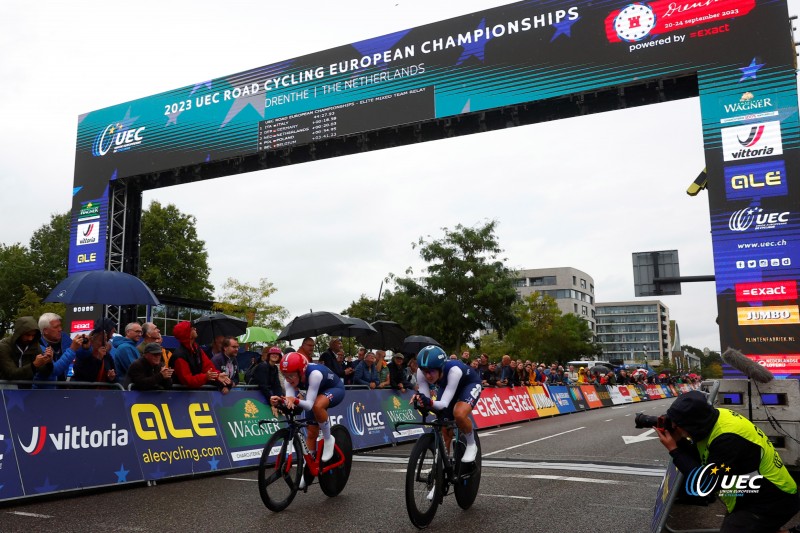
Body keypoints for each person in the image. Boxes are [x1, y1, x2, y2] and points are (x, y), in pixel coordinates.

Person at [657, 391, 800, 533]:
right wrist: (680, 440)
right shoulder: (711, 418)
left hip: (771, 500)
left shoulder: (727, 439)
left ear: (692, 424)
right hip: (752, 494)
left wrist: (674, 449)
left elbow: (705, 484)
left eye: (677, 425)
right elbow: (700, 457)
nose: (674, 426)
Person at [271, 352, 345, 465]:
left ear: (301, 372)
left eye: (291, 376)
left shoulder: (314, 374)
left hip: (334, 388)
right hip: (314, 392)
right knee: (311, 433)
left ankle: (328, 439)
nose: (288, 379)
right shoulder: (289, 380)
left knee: (317, 406)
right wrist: (280, 401)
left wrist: (294, 400)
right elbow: (290, 402)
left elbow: (309, 405)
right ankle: (308, 467)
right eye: (285, 375)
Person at [411, 345, 482, 463]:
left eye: (432, 371)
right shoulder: (420, 372)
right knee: (444, 427)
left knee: (459, 414)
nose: (428, 376)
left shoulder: (454, 371)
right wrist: (421, 400)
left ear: (441, 368)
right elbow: (426, 399)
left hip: (468, 384)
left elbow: (443, 404)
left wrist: (428, 402)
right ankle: (442, 465)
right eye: (425, 372)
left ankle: (471, 444)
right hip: (448, 386)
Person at [169, 321, 233, 393]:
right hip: (179, 396)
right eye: (192, 328)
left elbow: (208, 367)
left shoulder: (197, 349)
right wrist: (205, 377)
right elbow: (188, 380)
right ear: (188, 334)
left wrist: (218, 375)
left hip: (193, 395)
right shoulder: (179, 356)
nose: (195, 329)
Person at [0, 316, 53, 384]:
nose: (30, 338)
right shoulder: (4, 346)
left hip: (26, 389)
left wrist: (48, 362)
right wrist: (34, 365)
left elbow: (44, 372)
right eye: (27, 335)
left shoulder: (34, 345)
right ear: (19, 333)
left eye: (33, 335)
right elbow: (11, 374)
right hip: (5, 388)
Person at [37, 312, 72, 381]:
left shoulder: (65, 337)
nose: (60, 329)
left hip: (63, 387)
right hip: (46, 389)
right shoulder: (37, 346)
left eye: (60, 325)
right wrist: (72, 349)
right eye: (56, 327)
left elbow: (82, 354)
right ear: (45, 331)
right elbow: (54, 370)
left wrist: (86, 349)